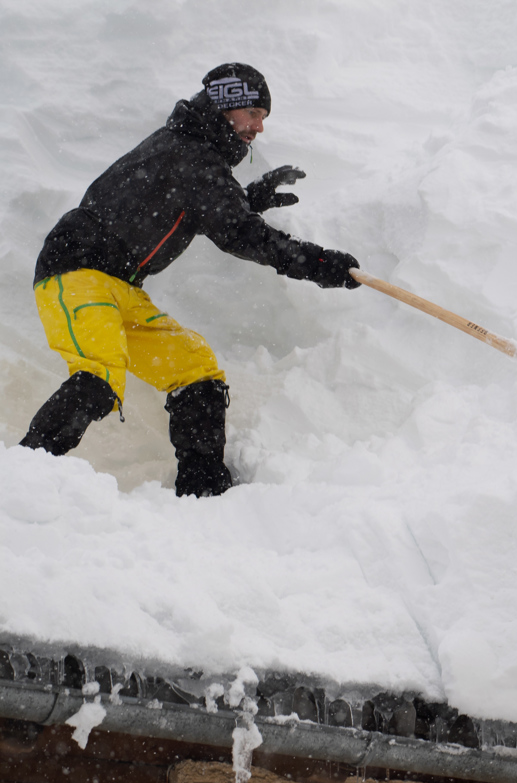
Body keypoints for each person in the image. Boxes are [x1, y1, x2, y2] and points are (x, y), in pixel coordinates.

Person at [18, 63, 361, 497]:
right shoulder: (191, 154)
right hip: (75, 273)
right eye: (254, 113)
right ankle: (20, 480)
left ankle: (202, 490)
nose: (258, 127)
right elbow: (239, 232)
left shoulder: (192, 153)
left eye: (263, 118)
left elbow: (192, 206)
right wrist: (320, 263)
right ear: (226, 104)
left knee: (195, 369)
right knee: (100, 375)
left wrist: (245, 199)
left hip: (122, 287)